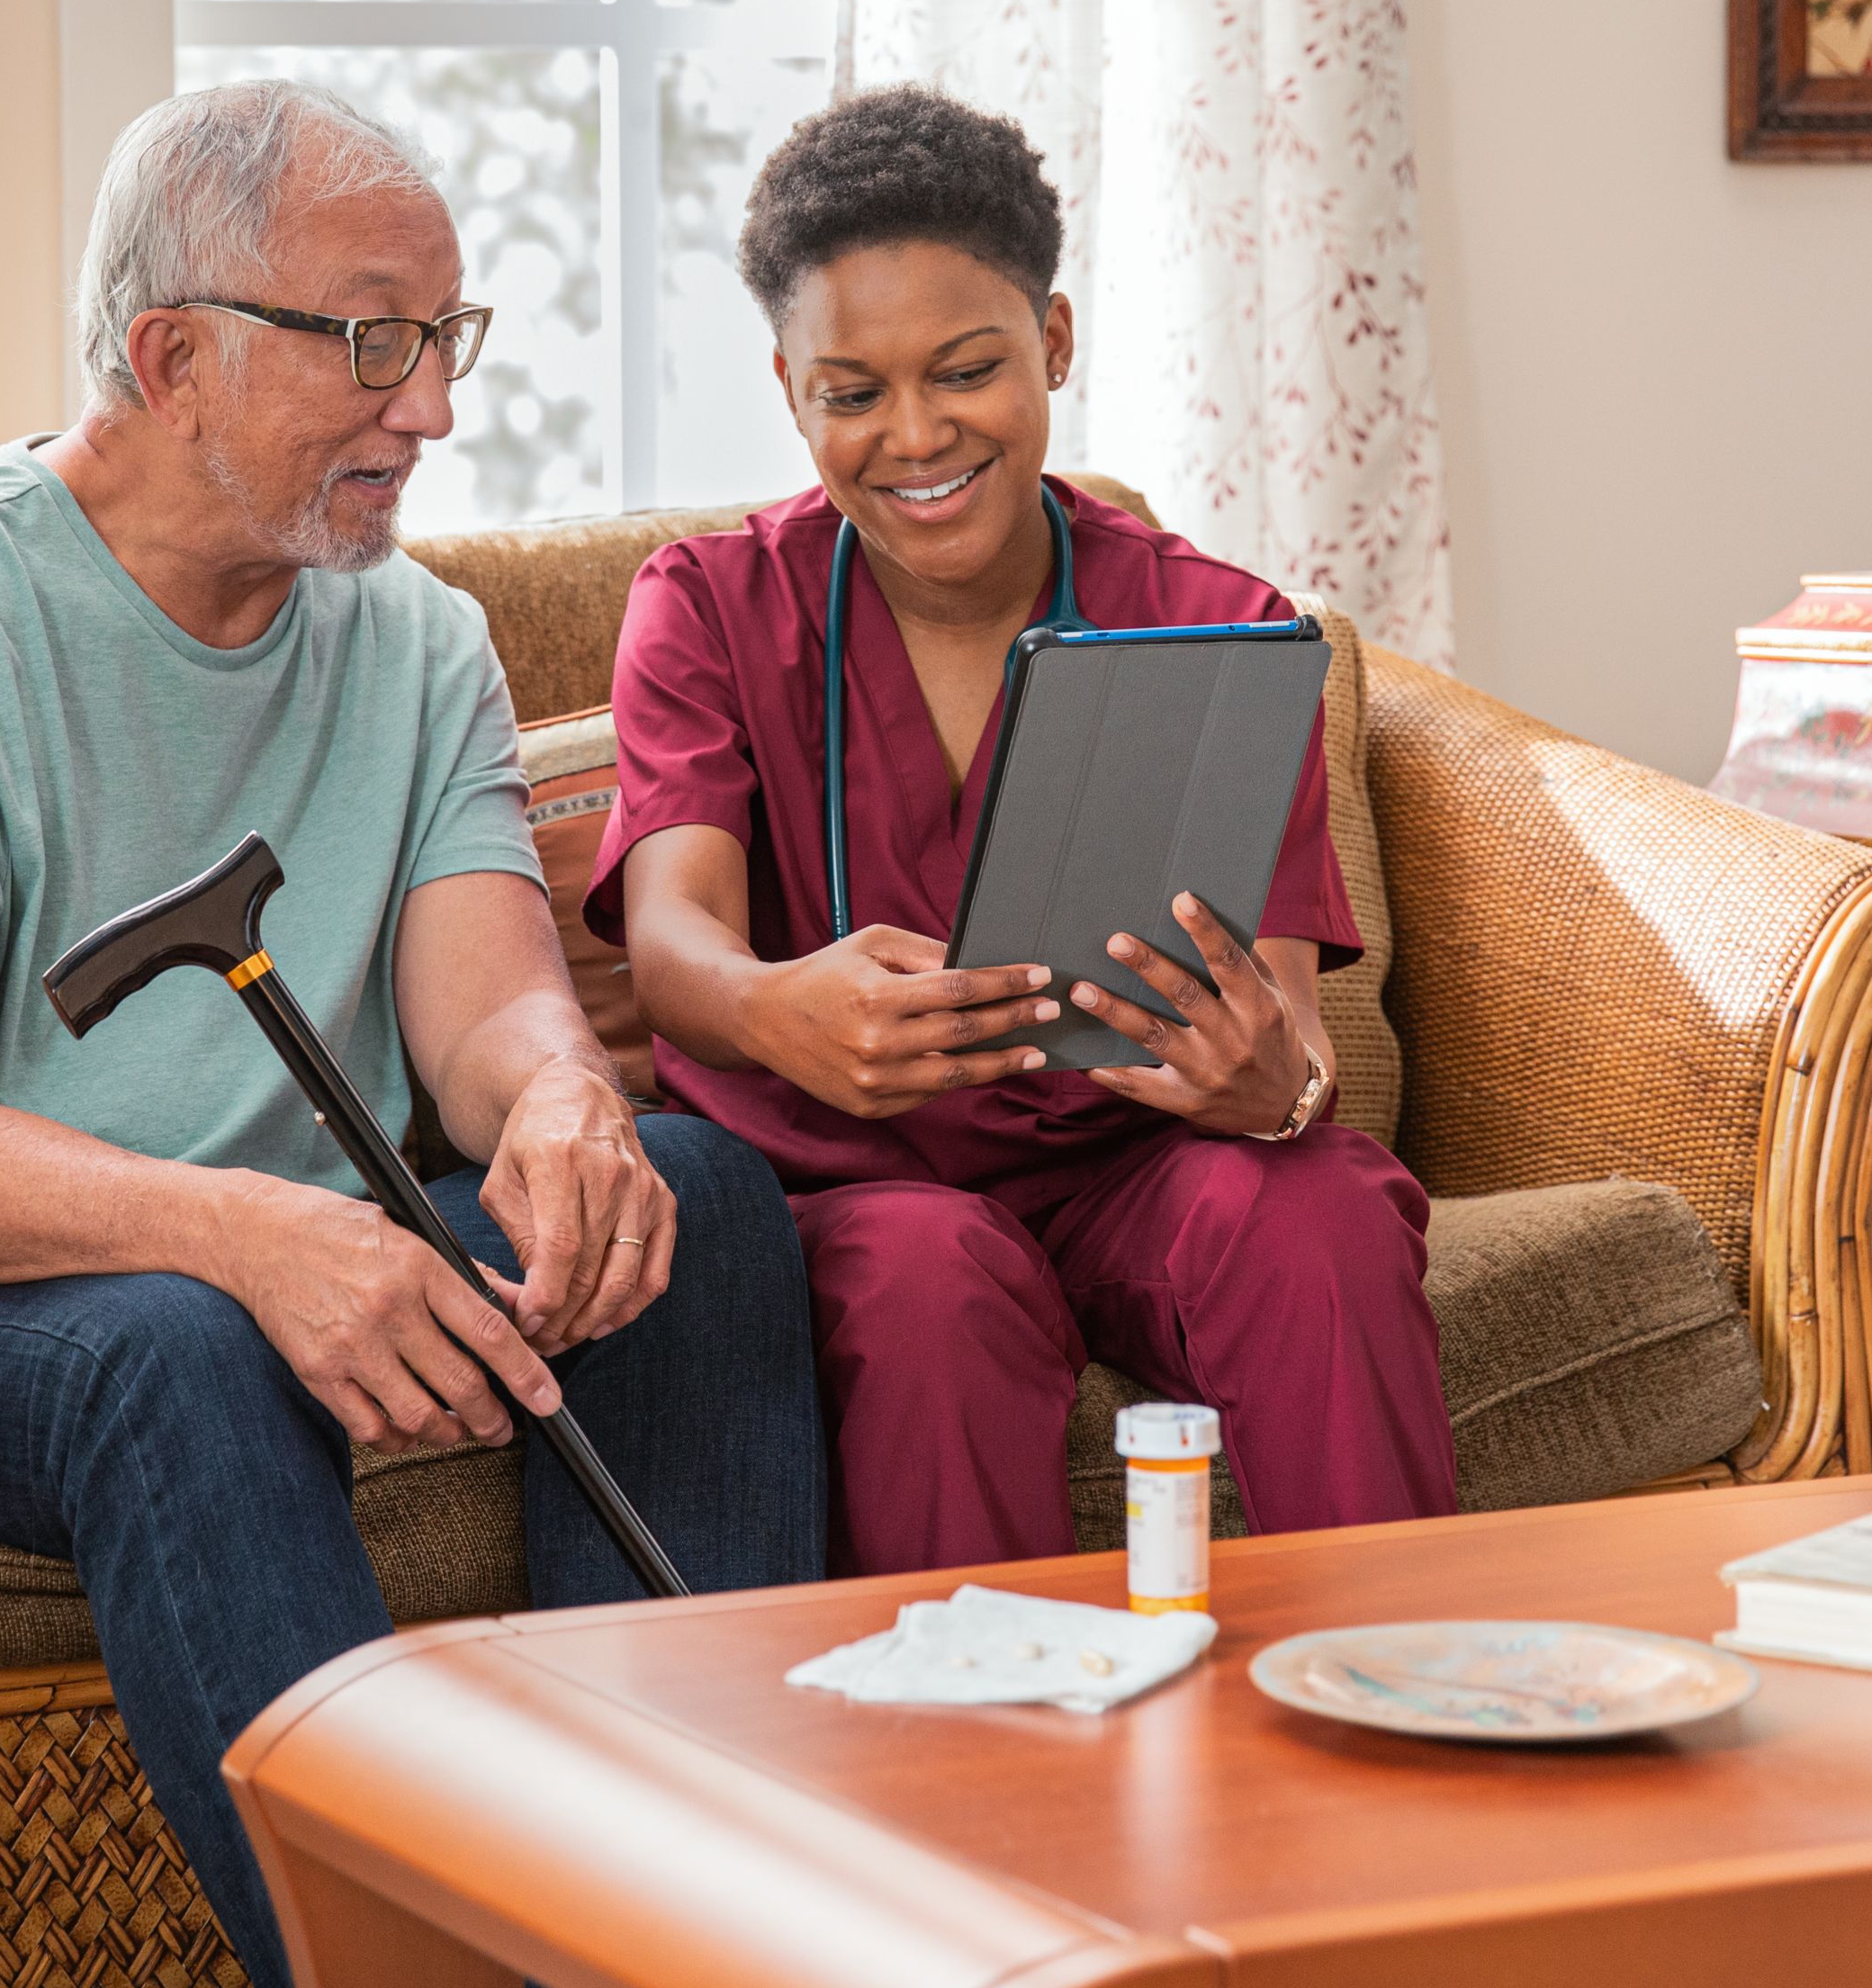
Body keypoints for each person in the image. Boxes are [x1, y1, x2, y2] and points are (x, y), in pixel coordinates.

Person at [0, 78, 823, 1988]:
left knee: (688, 1194)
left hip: (260, 1241)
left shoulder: (411, 638)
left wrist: (553, 1102)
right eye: (371, 341)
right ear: (170, 350)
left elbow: (487, 1013)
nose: (430, 408)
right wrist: (256, 1240)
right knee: (175, 1339)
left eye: (442, 341)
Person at [594, 85, 1454, 1575]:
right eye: (851, 391)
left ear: (1052, 343)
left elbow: (1295, 1041)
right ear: (791, 389)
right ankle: (986, 1785)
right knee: (930, 1279)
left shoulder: (1219, 625)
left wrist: (1276, 1090)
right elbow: (674, 938)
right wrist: (773, 1010)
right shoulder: (710, 606)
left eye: (968, 369)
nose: (914, 435)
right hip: (863, 1190)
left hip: (1140, 1168)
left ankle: (1414, 1695)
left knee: (1311, 1213)